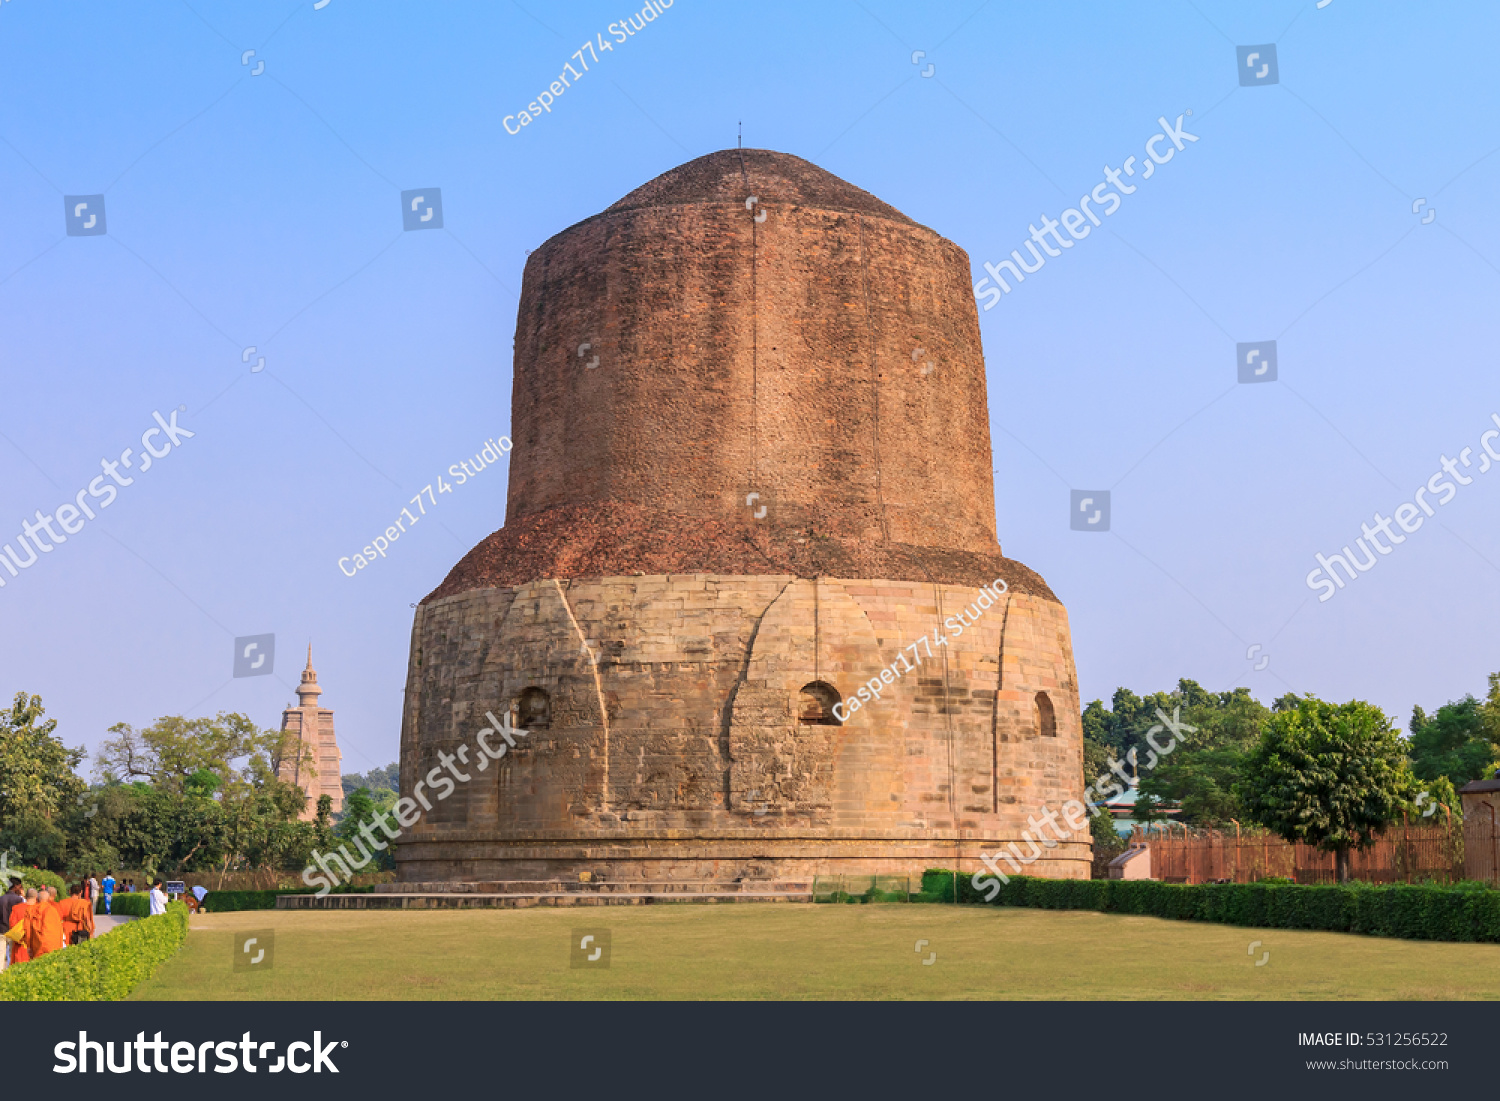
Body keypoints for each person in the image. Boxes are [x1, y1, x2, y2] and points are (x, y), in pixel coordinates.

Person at [28, 886, 64, 959]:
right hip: (52, 945)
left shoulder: (32, 910)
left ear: (37, 899)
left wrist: (29, 946)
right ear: (48, 899)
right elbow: (59, 928)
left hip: (38, 945)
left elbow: (28, 929)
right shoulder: (53, 910)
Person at [7, 889, 34, 965]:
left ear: (25, 896)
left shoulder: (17, 908)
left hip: (20, 943)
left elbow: (12, 925)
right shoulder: (39, 909)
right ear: (35, 898)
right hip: (34, 945)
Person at [0, 879, 23, 969]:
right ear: (16, 886)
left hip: (1, 929)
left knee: (1, 953)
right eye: (20, 887)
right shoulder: (18, 899)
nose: (20, 889)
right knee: (11, 955)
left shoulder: (1, 898)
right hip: (13, 931)